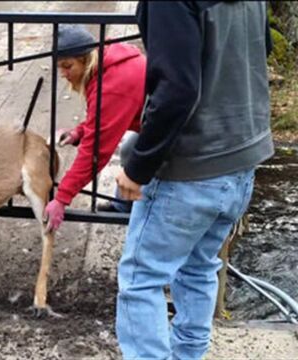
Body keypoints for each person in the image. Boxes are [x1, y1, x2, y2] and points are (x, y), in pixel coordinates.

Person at [114, 2, 273, 359]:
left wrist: (137, 168)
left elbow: (176, 91)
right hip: (242, 158)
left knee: (141, 280)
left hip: (191, 167)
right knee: (199, 268)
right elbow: (259, 50)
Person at [43, 24, 146, 232]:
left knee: (148, 166)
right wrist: (78, 133)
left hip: (183, 137)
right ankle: (124, 205)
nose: (63, 73)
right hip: (158, 125)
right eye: (59, 67)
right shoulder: (107, 63)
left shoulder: (112, 85)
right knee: (130, 148)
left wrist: (61, 199)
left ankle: (144, 213)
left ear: (86, 59)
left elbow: (95, 151)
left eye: (68, 66)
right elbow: (102, 120)